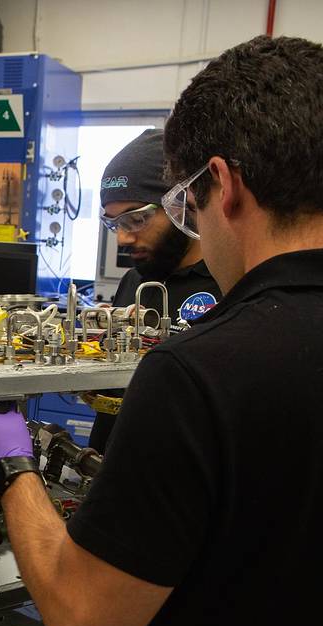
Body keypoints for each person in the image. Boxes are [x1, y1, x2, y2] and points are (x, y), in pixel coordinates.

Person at [0, 35, 323, 626]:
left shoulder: (203, 371)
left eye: (183, 205)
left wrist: (10, 471)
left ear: (220, 185)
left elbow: (86, 625)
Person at [88, 129, 223, 452]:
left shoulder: (224, 284)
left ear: (180, 204)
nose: (122, 239)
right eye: (115, 224)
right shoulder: (135, 281)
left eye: (136, 220)